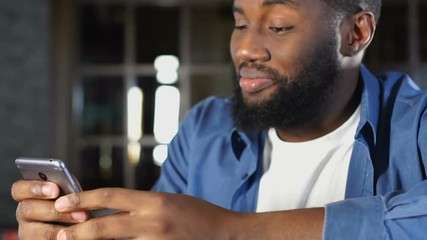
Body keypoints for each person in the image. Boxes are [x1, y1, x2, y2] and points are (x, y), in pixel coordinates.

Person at [11, 0, 427, 239]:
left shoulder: (417, 123)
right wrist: (74, 231)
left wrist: (228, 229)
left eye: (279, 26)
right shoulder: (204, 128)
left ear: (355, 33)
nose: (245, 48)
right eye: (239, 22)